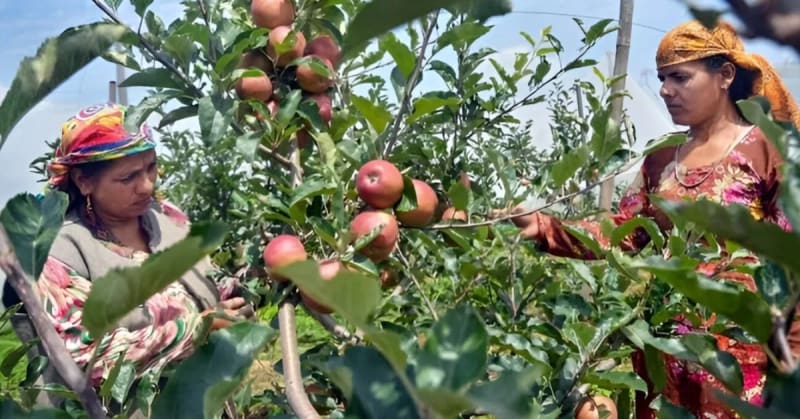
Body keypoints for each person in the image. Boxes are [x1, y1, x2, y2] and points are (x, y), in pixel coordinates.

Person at [502, 20, 800, 418]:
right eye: (662, 79)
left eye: (680, 77)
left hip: (741, 358)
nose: (664, 90)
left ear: (726, 75)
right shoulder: (661, 159)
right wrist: (544, 227)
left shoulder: (766, 150)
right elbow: (622, 232)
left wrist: (792, 358)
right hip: (664, 353)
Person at [2, 103, 254, 414]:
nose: (147, 185)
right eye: (128, 178)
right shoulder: (54, 253)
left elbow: (203, 281)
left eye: (151, 167)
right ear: (83, 181)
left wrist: (244, 287)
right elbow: (89, 357)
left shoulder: (167, 218)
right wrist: (198, 329)